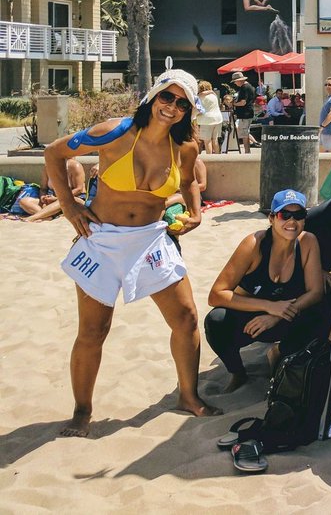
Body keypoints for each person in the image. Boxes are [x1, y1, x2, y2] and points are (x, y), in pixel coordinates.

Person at [44, 69, 219, 436]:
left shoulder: (185, 147)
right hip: (102, 241)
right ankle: (81, 412)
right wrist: (69, 206)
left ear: (189, 110)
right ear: (153, 96)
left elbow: (188, 181)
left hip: (151, 239)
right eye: (167, 97)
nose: (172, 107)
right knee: (94, 330)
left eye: (182, 103)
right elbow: (53, 153)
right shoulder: (114, 132)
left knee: (186, 318)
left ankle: (188, 396)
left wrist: (196, 212)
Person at [205, 189, 327, 393]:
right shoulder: (254, 245)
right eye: (284, 215)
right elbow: (216, 294)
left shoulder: (308, 242)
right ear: (271, 218)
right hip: (251, 319)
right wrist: (269, 306)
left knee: (323, 311)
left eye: (298, 215)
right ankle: (237, 372)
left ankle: (279, 352)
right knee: (216, 321)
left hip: (285, 315)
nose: (292, 221)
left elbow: (315, 292)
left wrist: (277, 315)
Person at [230, 71, 257, 154]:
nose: (235, 83)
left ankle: (247, 151)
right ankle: (247, 151)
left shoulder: (244, 88)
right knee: (246, 132)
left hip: (244, 114)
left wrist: (233, 104)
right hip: (249, 112)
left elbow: (243, 102)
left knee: (244, 134)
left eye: (235, 81)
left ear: (239, 80)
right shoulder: (251, 87)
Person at [194, 79, 223, 154]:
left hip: (206, 120)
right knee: (215, 140)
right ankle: (217, 157)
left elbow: (198, 110)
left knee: (207, 141)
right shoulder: (214, 95)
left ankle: (209, 158)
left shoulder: (200, 97)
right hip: (218, 118)